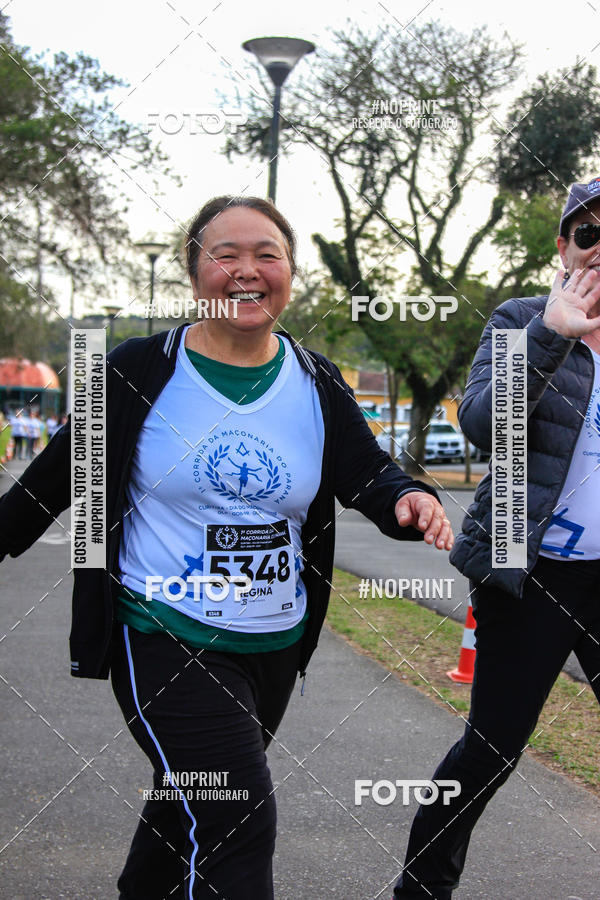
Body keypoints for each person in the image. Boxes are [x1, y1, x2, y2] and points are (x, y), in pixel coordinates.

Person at [0, 195, 454, 900]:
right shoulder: (138, 370)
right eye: (226, 255)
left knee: (187, 802)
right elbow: (45, 489)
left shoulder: (317, 378)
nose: (248, 271)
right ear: (195, 274)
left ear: (290, 273)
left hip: (273, 645)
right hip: (162, 632)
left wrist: (407, 500)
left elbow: (366, 472)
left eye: (266, 254)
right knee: (237, 817)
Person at [393, 177, 600, 899]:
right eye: (589, 234)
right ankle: (421, 889)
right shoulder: (520, 319)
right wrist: (553, 333)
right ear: (562, 246)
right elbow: (483, 426)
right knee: (492, 749)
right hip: (530, 570)